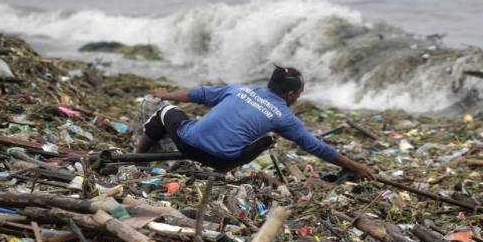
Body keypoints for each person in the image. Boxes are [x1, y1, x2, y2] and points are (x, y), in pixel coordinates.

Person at [136, 66, 375, 179]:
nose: (299, 96)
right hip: (222, 160)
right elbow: (314, 146)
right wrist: (353, 165)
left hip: (189, 145)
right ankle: (220, 174)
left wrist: (165, 95)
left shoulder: (238, 90)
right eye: (300, 93)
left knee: (166, 110)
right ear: (291, 95)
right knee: (267, 139)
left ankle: (137, 158)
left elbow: (196, 94)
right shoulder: (284, 117)